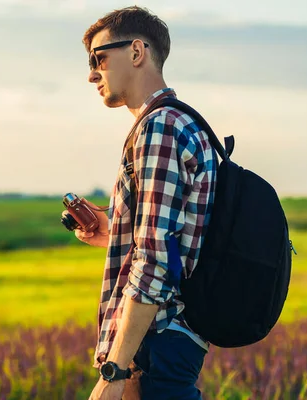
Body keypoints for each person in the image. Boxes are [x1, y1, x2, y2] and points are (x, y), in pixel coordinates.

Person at [75, 6, 219, 400]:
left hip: (156, 339)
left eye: (99, 58)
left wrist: (115, 369)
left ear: (137, 52)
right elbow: (172, 244)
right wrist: (114, 235)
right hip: (167, 339)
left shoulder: (160, 128)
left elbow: (156, 259)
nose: (91, 73)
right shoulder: (175, 123)